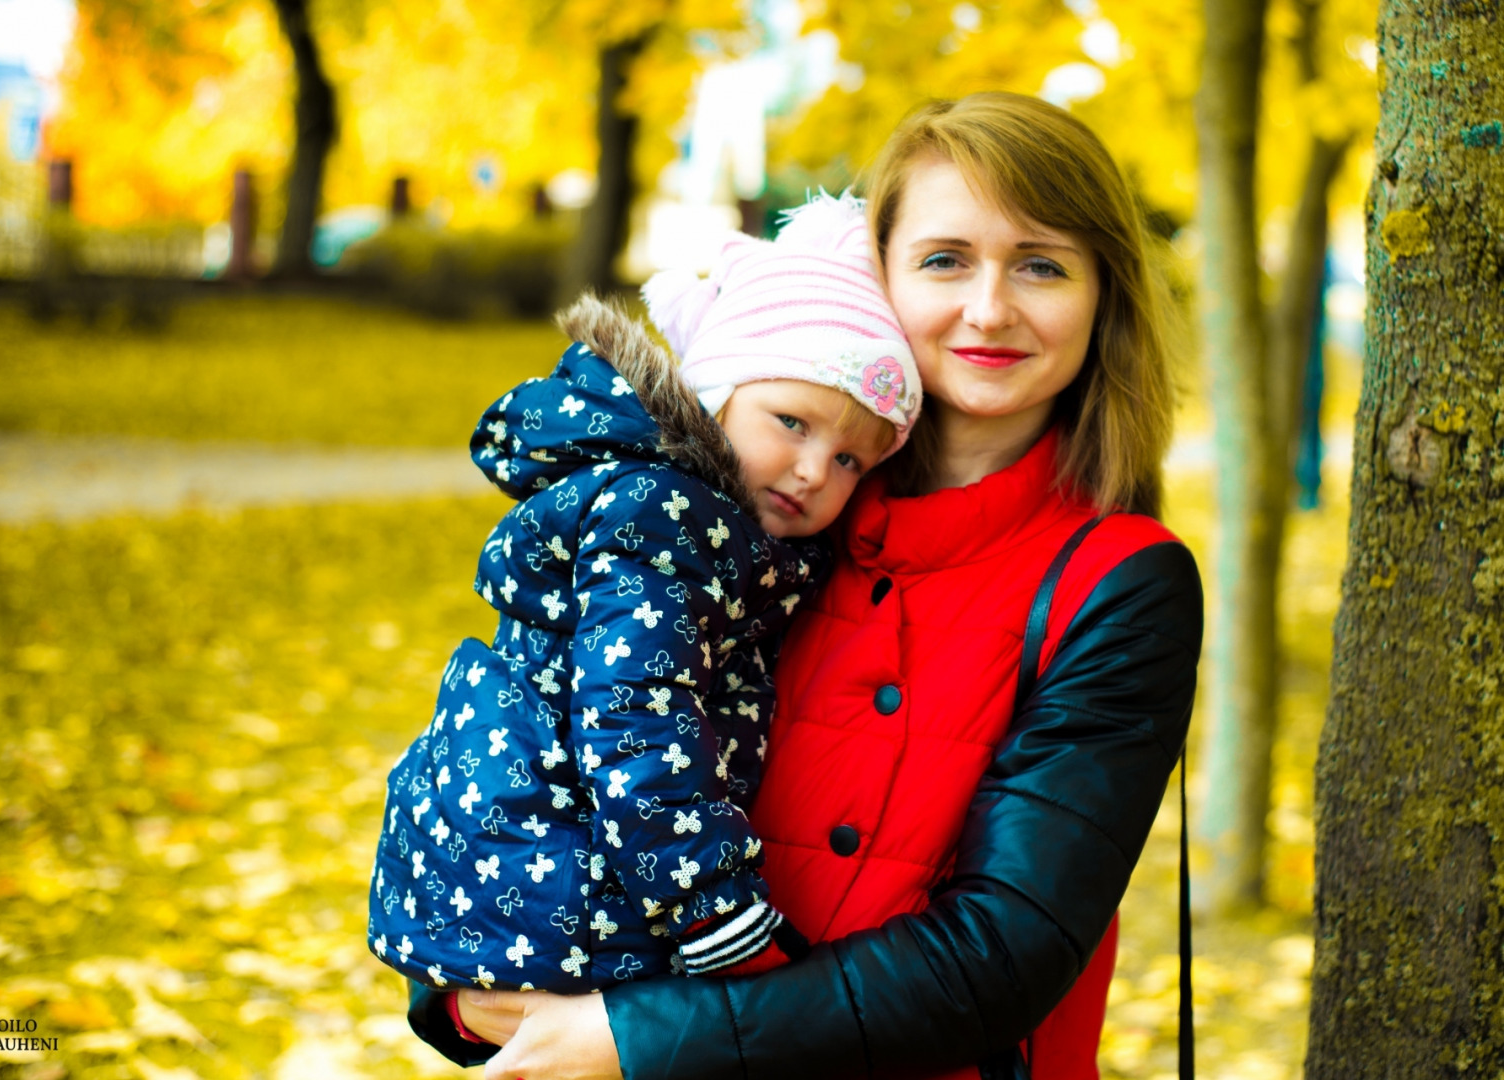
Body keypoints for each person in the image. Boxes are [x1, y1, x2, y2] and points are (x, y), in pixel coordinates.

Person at [430, 91, 1205, 1080]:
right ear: (876, 278)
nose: (989, 308)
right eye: (944, 260)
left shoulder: (1121, 583)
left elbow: (1003, 954)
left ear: (1104, 300)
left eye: (1042, 266)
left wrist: (633, 1039)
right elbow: (534, 738)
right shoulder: (750, 513)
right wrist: (463, 983)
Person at [367, 196, 922, 1003]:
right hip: (559, 874)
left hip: (564, 867)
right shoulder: (663, 518)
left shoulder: (724, 530)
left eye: (850, 462)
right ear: (716, 392)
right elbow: (634, 713)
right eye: (791, 422)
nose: (812, 470)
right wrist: (713, 911)